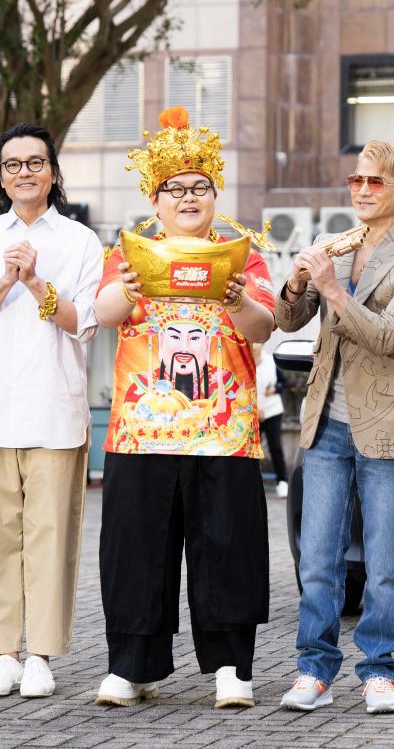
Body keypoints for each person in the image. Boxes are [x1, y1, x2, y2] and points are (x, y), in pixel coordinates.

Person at [92, 107, 276, 710]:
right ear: (156, 197)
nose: (188, 197)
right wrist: (128, 288)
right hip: (142, 429)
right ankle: (131, 667)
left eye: (200, 187)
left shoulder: (242, 254)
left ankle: (230, 669)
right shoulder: (128, 252)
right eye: (176, 189)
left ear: (215, 195)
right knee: (136, 548)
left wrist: (239, 298)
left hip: (224, 430)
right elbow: (103, 316)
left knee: (227, 546)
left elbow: (263, 326)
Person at [275, 140, 394, 715]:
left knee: (382, 565)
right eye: (357, 180)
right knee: (318, 559)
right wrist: (300, 280)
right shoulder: (335, 249)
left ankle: (379, 671)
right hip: (325, 423)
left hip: (388, 424)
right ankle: (313, 670)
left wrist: (328, 286)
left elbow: (387, 336)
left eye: (376, 182)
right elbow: (287, 320)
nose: (363, 190)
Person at [0, 124, 103, 700]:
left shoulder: (82, 241)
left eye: (36, 163)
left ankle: (40, 654)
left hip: (53, 406)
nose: (25, 173)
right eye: (12, 165)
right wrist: (6, 278)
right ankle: (1, 653)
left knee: (50, 535)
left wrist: (36, 281)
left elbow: (84, 322)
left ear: (54, 173)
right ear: (0, 177)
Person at [253, 343, 288, 497]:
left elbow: (284, 383)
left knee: (275, 448)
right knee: (253, 450)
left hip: (272, 411)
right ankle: (253, 483)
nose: (255, 345)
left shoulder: (271, 361)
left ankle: (282, 481)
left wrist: (274, 389)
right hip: (252, 413)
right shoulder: (244, 361)